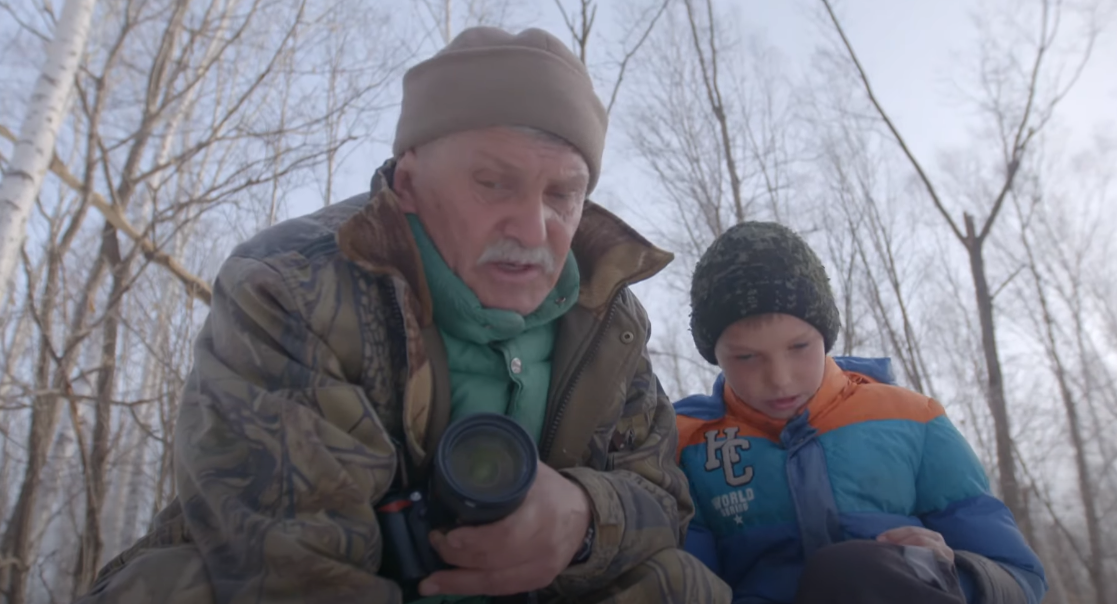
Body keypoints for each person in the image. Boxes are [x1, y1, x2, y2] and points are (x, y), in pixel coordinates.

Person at [75, 27, 729, 604]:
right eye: (493, 183)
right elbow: (297, 567)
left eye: (561, 195)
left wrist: (586, 518)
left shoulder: (607, 316)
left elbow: (661, 498)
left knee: (681, 585)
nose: (533, 228)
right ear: (409, 183)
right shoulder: (291, 285)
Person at [673, 221, 1047, 604]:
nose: (780, 380)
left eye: (800, 347)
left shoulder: (913, 419)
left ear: (825, 336)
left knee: (850, 568)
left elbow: (1019, 577)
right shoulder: (688, 446)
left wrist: (953, 574)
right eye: (747, 357)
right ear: (714, 356)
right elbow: (684, 586)